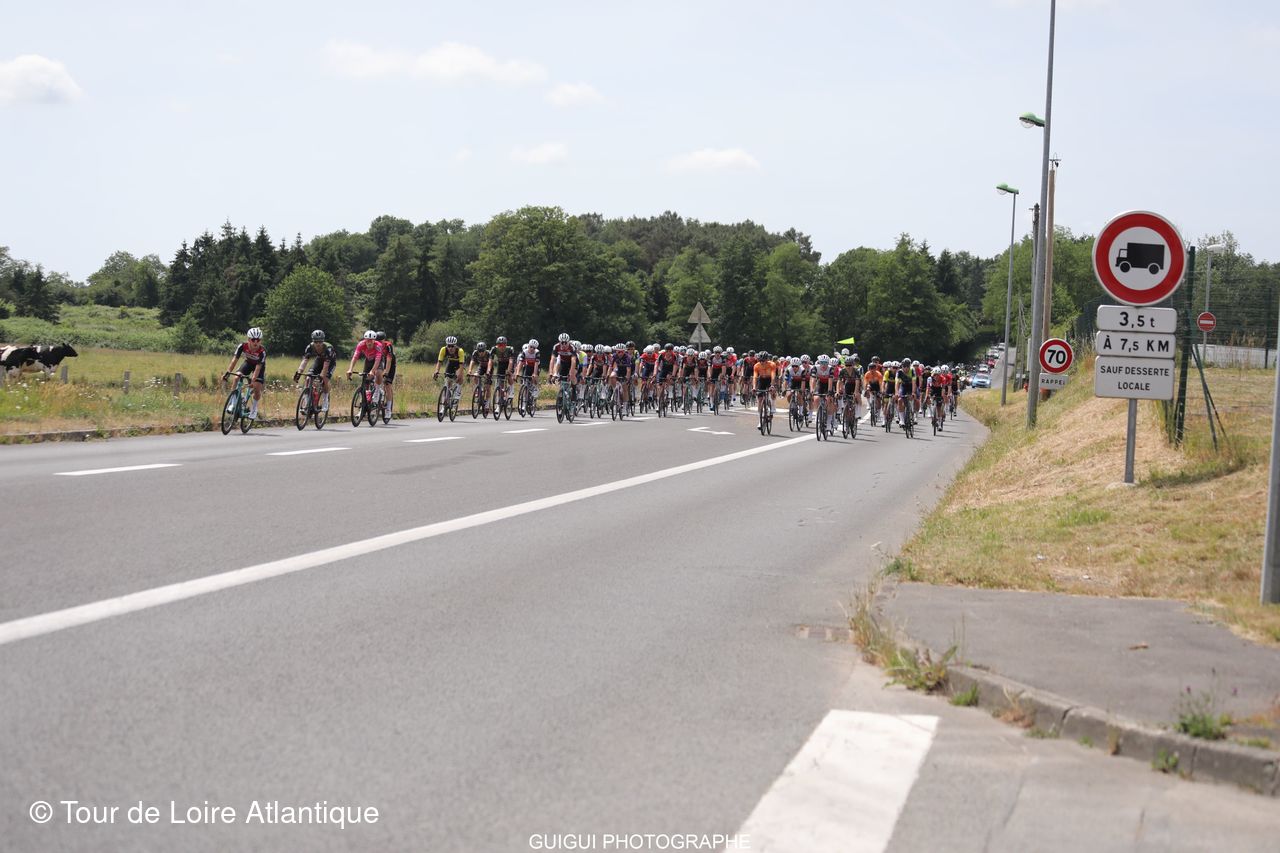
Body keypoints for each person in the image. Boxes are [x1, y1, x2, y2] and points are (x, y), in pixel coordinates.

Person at [225, 327, 267, 420]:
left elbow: (258, 368)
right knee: (236, 378)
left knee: (257, 388)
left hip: (259, 367)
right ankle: (233, 402)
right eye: (253, 340)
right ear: (248, 339)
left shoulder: (262, 351)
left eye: (258, 340)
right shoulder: (242, 346)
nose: (256, 342)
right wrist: (228, 372)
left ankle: (254, 408)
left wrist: (253, 380)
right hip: (248, 363)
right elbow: (234, 360)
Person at [293, 329, 336, 412]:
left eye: (320, 342)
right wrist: (299, 372)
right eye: (316, 342)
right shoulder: (310, 347)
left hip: (330, 363)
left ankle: (325, 400)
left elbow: (326, 365)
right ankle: (307, 401)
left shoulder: (328, 348)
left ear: (323, 341)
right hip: (319, 360)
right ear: (313, 341)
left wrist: (322, 376)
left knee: (325, 379)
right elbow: (305, 360)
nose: (318, 344)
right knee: (308, 377)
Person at [433, 335, 467, 401]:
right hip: (450, 363)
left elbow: (461, 365)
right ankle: (447, 395)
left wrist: (460, 375)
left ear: (455, 346)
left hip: (459, 364)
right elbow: (439, 362)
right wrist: (436, 371)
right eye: (449, 346)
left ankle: (458, 392)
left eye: (452, 346)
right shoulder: (443, 349)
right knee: (447, 380)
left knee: (459, 377)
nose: (450, 348)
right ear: (446, 346)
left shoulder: (460, 351)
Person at [377, 331, 396, 418]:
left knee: (387, 385)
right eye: (377, 340)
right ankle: (378, 392)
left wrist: (386, 372)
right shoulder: (375, 345)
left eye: (381, 341)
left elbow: (389, 360)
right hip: (380, 362)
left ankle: (388, 409)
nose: (379, 342)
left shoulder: (388, 345)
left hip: (390, 364)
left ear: (384, 340)